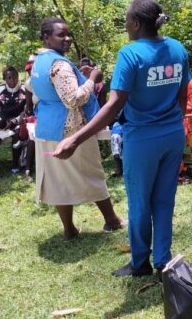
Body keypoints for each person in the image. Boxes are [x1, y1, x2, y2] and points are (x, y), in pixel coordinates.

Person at [52, 0, 191, 278]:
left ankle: (140, 263)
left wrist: (75, 139)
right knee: (164, 200)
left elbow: (114, 105)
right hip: (174, 134)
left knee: (140, 202)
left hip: (143, 140)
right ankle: (163, 261)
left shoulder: (130, 54)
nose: (125, 24)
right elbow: (183, 94)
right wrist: (172, 121)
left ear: (137, 24)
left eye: (127, 19)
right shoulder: (177, 48)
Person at [30, 17, 123, 241]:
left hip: (47, 127)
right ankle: (111, 220)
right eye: (61, 35)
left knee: (57, 180)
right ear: (46, 37)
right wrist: (92, 79)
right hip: (71, 129)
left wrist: (78, 75)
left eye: (68, 34)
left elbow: (40, 89)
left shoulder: (38, 61)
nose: (67, 38)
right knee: (92, 173)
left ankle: (69, 229)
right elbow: (73, 99)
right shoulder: (59, 64)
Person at [0, 66, 27, 182]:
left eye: (15, 77)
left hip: (18, 121)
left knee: (18, 132)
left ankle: (15, 164)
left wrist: (15, 121)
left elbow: (26, 110)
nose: (12, 80)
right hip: (3, 122)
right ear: (4, 79)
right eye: (9, 77)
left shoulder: (24, 89)